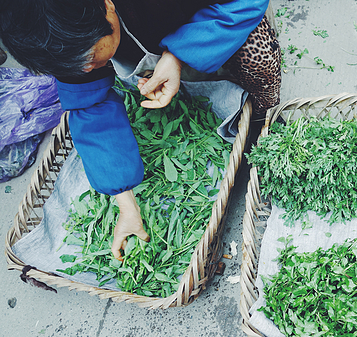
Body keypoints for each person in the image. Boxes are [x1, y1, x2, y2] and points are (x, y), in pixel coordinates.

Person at [0, 0, 281, 260]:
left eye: (91, 58)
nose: (86, 69)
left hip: (215, 12)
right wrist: (126, 204)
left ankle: (259, 119)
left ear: (107, 6)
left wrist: (177, 55)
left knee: (258, 55)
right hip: (132, 33)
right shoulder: (59, 38)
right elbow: (92, 109)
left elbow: (245, 3)